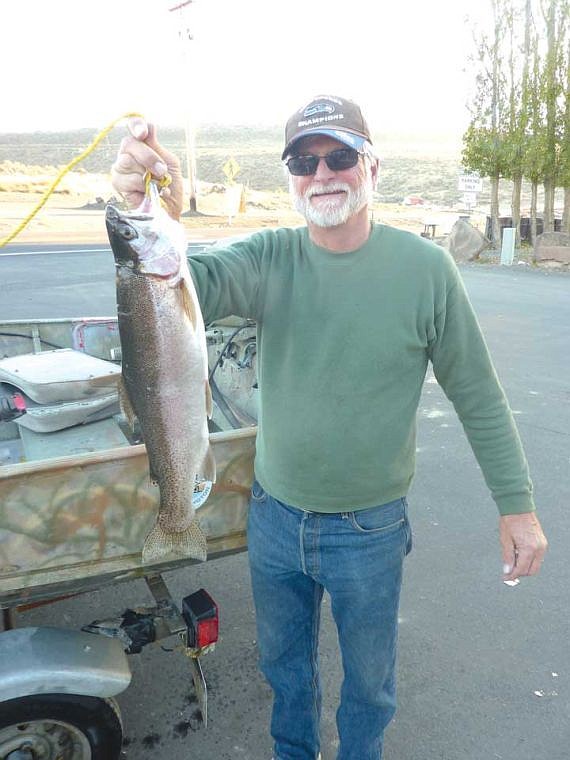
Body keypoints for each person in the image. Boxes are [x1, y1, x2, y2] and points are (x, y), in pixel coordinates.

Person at [111, 94, 548, 760]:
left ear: (372, 166)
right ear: (290, 178)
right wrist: (148, 210)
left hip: (368, 531)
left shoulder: (425, 271)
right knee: (286, 675)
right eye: (304, 161)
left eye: (340, 156)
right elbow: (171, 286)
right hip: (275, 517)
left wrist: (517, 507)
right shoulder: (269, 257)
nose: (323, 174)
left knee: (369, 687)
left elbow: (479, 394)